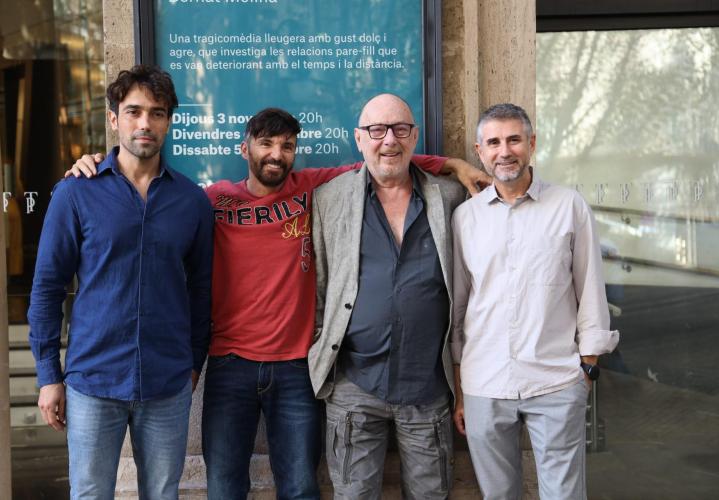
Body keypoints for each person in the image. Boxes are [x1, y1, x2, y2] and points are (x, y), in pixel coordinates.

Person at [69, 107, 489, 499]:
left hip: (295, 368)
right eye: (266, 144)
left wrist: (453, 165)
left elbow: (382, 162)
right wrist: (97, 166)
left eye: (287, 146)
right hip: (229, 364)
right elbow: (154, 196)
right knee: (225, 486)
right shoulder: (212, 200)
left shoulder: (312, 189)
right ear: (245, 148)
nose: (276, 154)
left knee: (300, 487)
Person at [28, 65, 214, 499]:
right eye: (133, 111)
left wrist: (193, 362)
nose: (144, 123)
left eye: (157, 113)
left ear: (169, 122)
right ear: (114, 119)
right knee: (90, 494)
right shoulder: (76, 192)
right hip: (92, 380)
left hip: (167, 382)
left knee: (162, 494)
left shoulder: (192, 202)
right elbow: (47, 288)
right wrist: (48, 375)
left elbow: (202, 289)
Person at [450, 103, 620, 499]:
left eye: (514, 140)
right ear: (479, 150)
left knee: (563, 495)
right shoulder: (465, 218)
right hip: (485, 383)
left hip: (555, 380)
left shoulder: (569, 206)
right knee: (498, 495)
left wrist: (587, 368)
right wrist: (460, 388)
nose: (504, 151)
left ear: (532, 143)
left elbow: (590, 290)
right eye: (494, 142)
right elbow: (459, 307)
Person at [308, 93, 465, 499]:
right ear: (359, 138)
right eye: (377, 130)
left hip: (428, 384)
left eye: (399, 129)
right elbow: (321, 286)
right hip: (354, 384)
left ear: (414, 136)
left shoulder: (450, 198)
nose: (389, 140)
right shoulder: (329, 199)